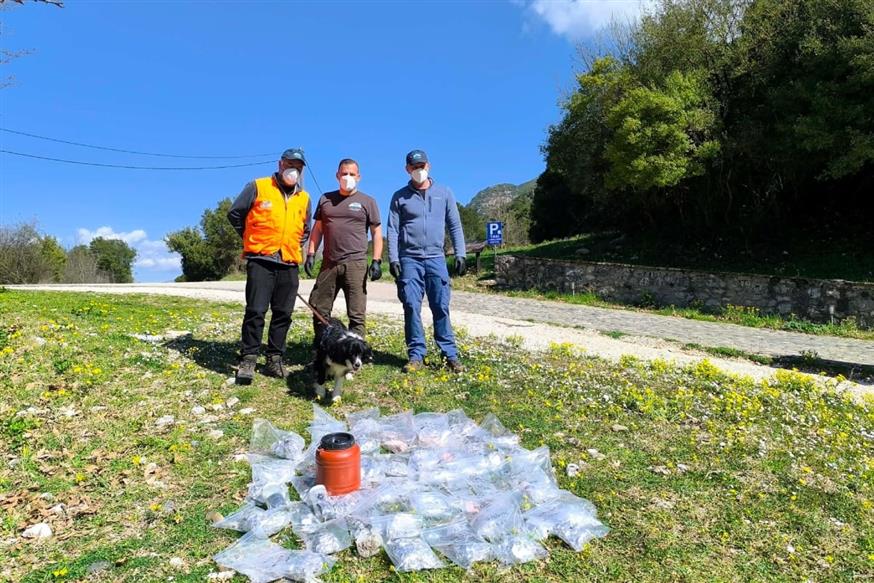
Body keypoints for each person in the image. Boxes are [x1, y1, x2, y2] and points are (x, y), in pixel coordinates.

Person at [227, 148, 311, 383]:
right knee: (256, 310)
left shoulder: (304, 197)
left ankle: (275, 358)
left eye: (298, 167)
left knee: (283, 313)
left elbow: (305, 229)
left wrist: (293, 245)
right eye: (290, 164)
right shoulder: (258, 186)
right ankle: (248, 359)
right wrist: (250, 238)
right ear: (280, 164)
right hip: (261, 260)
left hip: (289, 262)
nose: (294, 170)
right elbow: (235, 214)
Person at [387, 149, 466, 373]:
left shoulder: (445, 193)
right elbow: (392, 229)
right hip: (409, 259)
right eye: (414, 167)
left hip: (436, 258)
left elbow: (454, 225)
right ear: (407, 169)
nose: (418, 170)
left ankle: (449, 355)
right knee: (411, 306)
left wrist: (460, 253)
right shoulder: (399, 196)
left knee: (440, 306)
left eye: (421, 166)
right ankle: (416, 355)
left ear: (428, 166)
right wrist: (393, 258)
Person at [305, 158, 383, 344]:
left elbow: (376, 232)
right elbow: (318, 229)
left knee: (356, 313)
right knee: (319, 307)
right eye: (344, 174)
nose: (348, 177)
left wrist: (376, 260)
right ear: (337, 176)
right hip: (329, 263)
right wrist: (311, 253)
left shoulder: (368, 201)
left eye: (352, 174)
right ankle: (322, 346)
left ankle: (356, 351)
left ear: (359, 177)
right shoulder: (325, 199)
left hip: (355, 264)